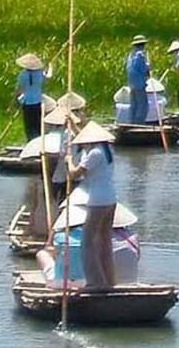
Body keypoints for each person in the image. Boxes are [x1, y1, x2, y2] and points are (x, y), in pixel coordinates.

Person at [66, 120, 118, 290]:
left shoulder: (95, 153)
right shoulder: (107, 149)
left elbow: (74, 175)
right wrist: (72, 125)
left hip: (98, 199)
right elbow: (83, 140)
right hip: (110, 198)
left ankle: (95, 282)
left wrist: (68, 161)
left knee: (87, 241)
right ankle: (108, 280)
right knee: (104, 240)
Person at [14, 52, 53, 140]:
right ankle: (38, 140)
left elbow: (19, 89)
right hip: (37, 102)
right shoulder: (39, 74)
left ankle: (31, 140)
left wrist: (15, 100)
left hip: (27, 103)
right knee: (38, 123)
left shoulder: (22, 75)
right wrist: (50, 67)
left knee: (29, 125)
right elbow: (48, 76)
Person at [124, 35, 151, 124]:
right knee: (142, 105)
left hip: (132, 83)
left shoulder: (131, 55)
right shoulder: (140, 55)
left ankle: (132, 122)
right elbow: (142, 68)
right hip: (139, 83)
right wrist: (148, 67)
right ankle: (139, 123)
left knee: (134, 104)